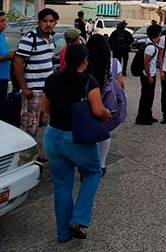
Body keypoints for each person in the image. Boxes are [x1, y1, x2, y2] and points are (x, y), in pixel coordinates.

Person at [42, 44, 112, 243]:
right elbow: (98, 111)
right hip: (76, 137)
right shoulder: (89, 81)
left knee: (63, 184)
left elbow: (45, 108)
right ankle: (79, 218)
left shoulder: (52, 79)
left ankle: (63, 234)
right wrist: (107, 114)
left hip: (52, 135)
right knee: (93, 173)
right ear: (85, 60)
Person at [14, 8, 59, 160]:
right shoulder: (29, 39)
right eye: (45, 21)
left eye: (51, 21)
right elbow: (18, 63)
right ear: (39, 23)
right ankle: (24, 156)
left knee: (41, 122)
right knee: (29, 124)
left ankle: (33, 152)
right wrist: (24, 87)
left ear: (55, 23)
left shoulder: (50, 39)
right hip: (33, 91)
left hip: (47, 91)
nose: (48, 24)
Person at [86, 34, 125, 175]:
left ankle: (89, 162)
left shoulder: (86, 62)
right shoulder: (114, 63)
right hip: (107, 102)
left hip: (88, 101)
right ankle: (101, 164)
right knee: (104, 132)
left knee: (89, 132)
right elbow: (121, 84)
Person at [135, 24, 161, 125]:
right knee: (146, 97)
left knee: (150, 96)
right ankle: (141, 118)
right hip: (147, 75)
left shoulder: (150, 43)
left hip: (150, 74)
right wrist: (149, 76)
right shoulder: (151, 47)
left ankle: (148, 115)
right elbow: (146, 63)